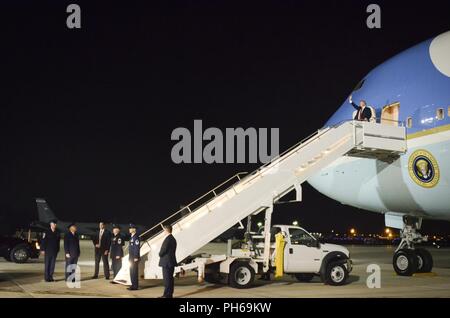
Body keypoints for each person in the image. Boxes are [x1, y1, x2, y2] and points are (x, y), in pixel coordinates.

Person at [158, 224, 177, 298]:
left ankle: (167, 295)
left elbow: (163, 250)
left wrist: (159, 254)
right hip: (171, 262)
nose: (163, 232)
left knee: (167, 280)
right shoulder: (173, 239)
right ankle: (169, 294)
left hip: (167, 262)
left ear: (166, 230)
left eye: (164, 230)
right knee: (170, 279)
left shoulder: (168, 239)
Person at [128, 223, 140, 291]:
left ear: (134, 229)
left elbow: (136, 248)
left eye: (131, 228)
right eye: (129, 228)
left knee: (134, 272)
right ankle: (133, 285)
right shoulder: (132, 237)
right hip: (131, 257)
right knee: (132, 271)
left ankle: (135, 286)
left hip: (134, 258)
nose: (129, 229)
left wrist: (136, 257)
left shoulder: (136, 237)